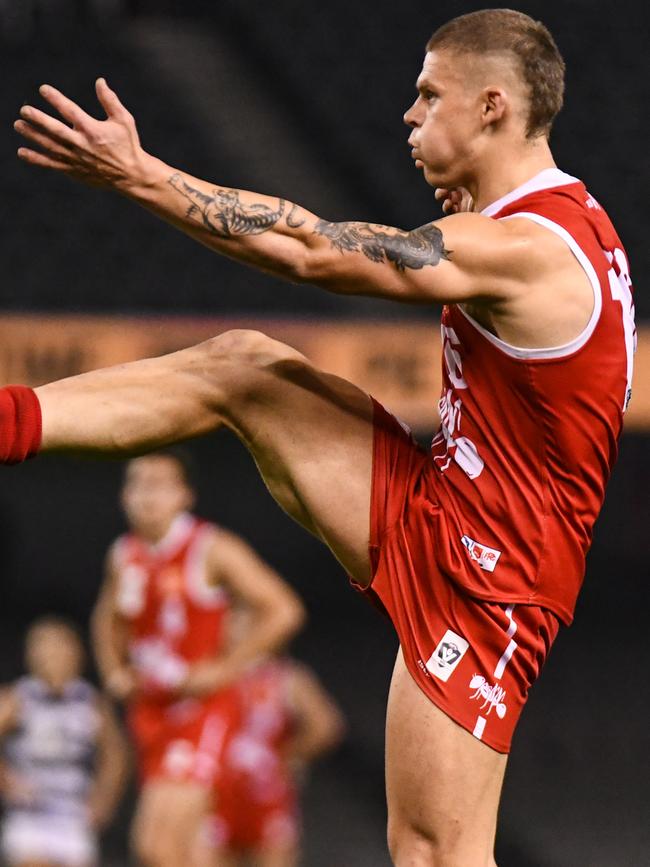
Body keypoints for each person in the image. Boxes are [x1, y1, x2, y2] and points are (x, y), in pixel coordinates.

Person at [11, 8, 636, 864]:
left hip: (495, 581)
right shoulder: (554, 222)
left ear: (493, 106)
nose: (410, 117)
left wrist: (139, 174)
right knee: (244, 370)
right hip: (442, 501)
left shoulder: (529, 247)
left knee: (432, 852)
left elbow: (313, 251)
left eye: (429, 95)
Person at [91, 448, 305, 867]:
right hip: (150, 713)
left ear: (184, 495)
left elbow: (284, 609)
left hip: (198, 710)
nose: (144, 495)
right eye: (135, 484)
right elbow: (107, 618)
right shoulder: (124, 554)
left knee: (156, 846)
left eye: (157, 484)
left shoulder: (210, 547)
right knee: (185, 852)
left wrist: (226, 668)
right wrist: (114, 671)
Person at [195, 612, 345, 867]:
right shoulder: (216, 673)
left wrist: (287, 754)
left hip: (267, 793)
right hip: (217, 793)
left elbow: (327, 726)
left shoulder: (286, 677)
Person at [0, 617, 128, 867]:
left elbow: (116, 754)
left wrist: (104, 800)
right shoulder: (18, 698)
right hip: (31, 816)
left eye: (61, 649)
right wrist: (7, 782)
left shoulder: (90, 702)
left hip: (73, 815)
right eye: (46, 649)